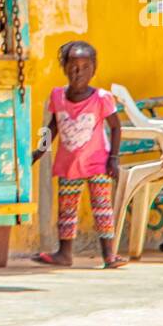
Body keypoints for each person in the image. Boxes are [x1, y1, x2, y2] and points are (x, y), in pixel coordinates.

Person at [31, 40, 125, 268]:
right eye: (73, 66)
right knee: (66, 209)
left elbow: (115, 127)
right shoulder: (57, 96)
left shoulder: (101, 98)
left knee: (102, 208)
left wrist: (113, 159)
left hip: (98, 164)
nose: (78, 72)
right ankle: (64, 254)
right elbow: (52, 126)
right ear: (64, 67)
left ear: (94, 69)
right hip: (69, 164)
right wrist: (39, 150)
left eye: (85, 67)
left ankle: (109, 255)